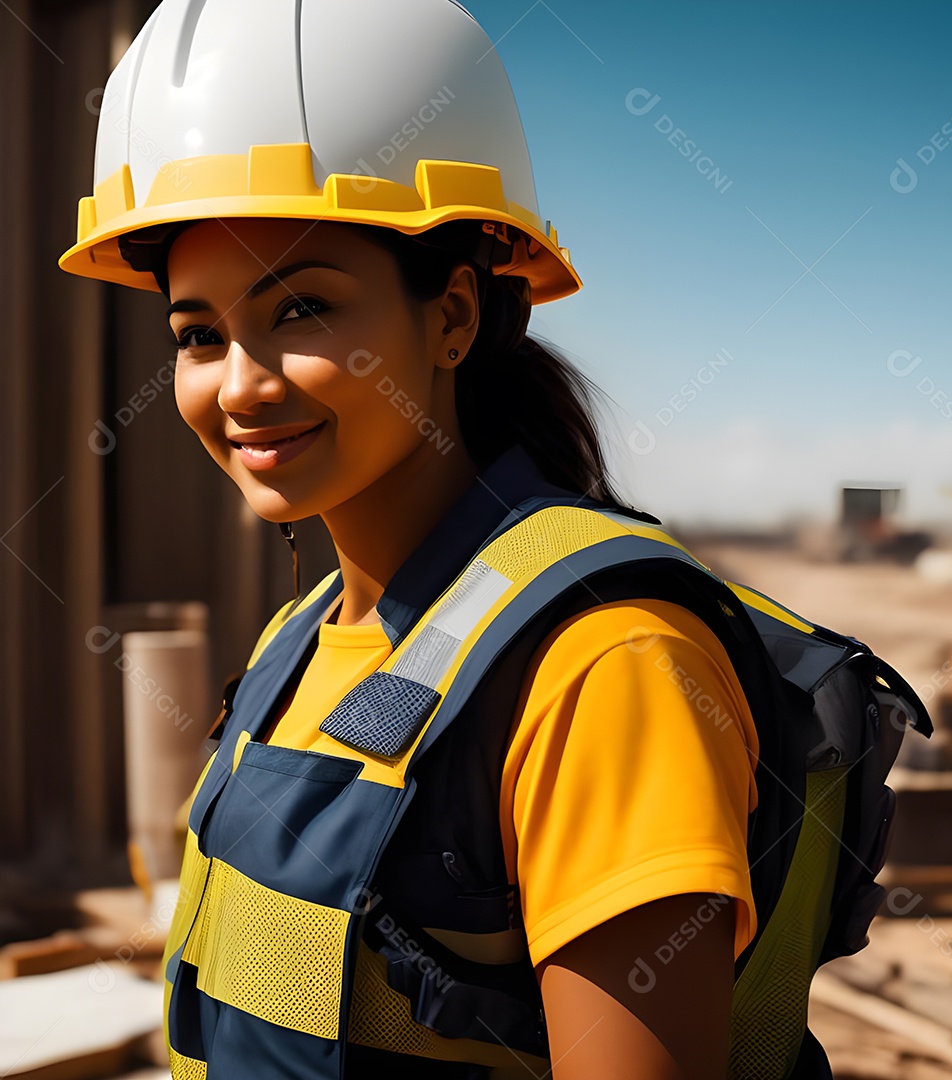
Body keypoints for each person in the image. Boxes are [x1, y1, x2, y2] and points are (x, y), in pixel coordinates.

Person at [59, 2, 760, 1077]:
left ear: (453, 318)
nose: (239, 385)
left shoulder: (607, 668)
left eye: (300, 311)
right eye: (199, 335)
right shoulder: (299, 641)